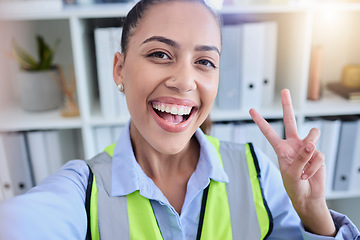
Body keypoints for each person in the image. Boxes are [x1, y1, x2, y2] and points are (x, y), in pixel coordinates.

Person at [0, 0, 359, 239]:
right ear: (120, 69)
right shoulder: (82, 190)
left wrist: (313, 213)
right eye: (160, 54)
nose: (185, 81)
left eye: (204, 62)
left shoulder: (258, 171)